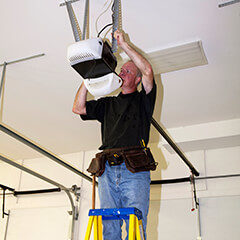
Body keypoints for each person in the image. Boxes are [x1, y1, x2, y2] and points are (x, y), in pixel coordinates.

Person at [72, 30, 156, 239]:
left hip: (134, 168)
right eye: (122, 69)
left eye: (128, 71)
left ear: (137, 80)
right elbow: (78, 108)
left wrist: (124, 45)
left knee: (135, 225)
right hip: (107, 169)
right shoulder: (107, 104)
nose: (122, 72)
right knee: (108, 227)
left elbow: (147, 70)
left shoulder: (143, 100)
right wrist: (88, 76)